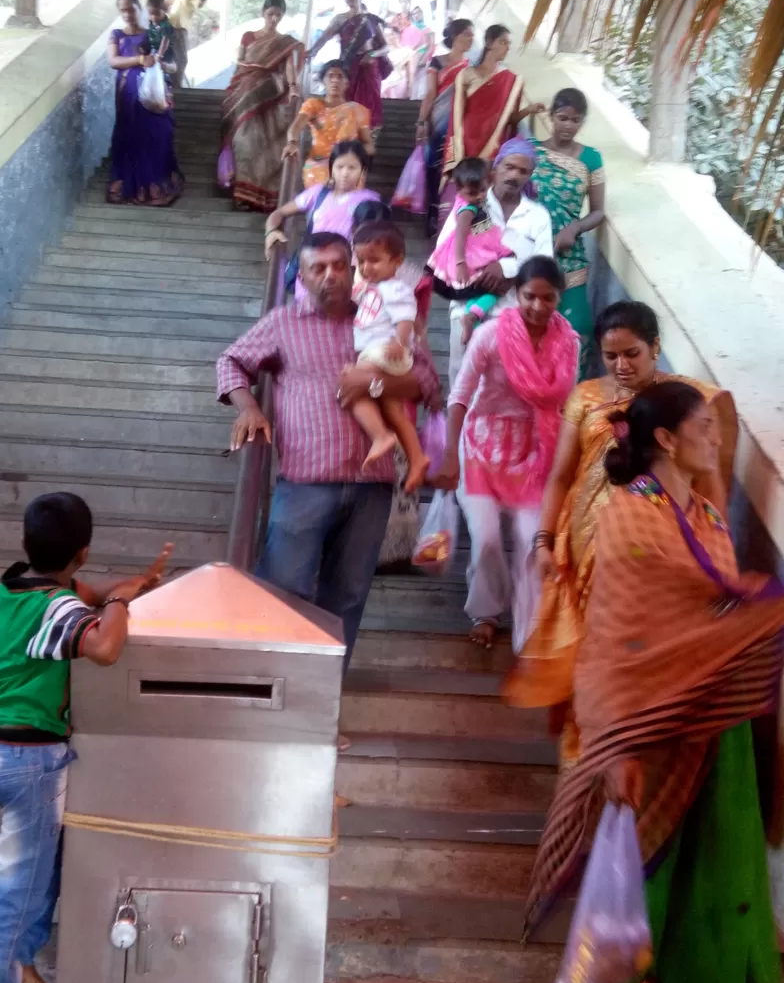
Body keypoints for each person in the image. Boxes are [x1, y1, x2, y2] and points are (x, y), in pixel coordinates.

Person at [525, 382, 784, 983]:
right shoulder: (630, 516)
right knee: (657, 896)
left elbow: (712, 607)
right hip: (651, 734)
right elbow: (619, 638)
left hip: (713, 730)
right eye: (703, 428)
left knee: (717, 894)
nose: (715, 439)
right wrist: (614, 743)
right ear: (665, 439)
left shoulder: (706, 514)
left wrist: (775, 600)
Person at [0, 493, 171, 983]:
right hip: (27, 759)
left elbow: (85, 594)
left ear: (26, 543)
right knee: (18, 885)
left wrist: (132, 586)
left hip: (4, 750)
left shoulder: (18, 585)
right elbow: (105, 648)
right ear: (83, 551)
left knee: (36, 874)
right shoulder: (56, 609)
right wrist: (120, 602)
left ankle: (18, 966)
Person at [504, 300, 738, 767]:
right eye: (611, 356)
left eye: (632, 354)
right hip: (587, 549)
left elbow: (712, 490)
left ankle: (622, 761)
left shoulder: (687, 403)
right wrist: (544, 541)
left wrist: (716, 563)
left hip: (658, 553)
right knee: (590, 652)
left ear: (655, 347)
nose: (621, 366)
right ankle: (582, 758)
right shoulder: (586, 397)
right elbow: (561, 476)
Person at [216, 232, 441, 666]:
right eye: (318, 268)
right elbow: (230, 361)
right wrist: (249, 408)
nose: (330, 275)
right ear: (301, 277)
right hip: (306, 483)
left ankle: (323, 696)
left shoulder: (382, 315)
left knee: (348, 596)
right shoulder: (283, 323)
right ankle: (270, 683)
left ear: (354, 270)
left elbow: (428, 383)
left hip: (372, 486)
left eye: (339, 265)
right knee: (284, 587)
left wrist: (374, 382)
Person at [437, 257, 578, 650]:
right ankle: (485, 611)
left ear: (560, 299)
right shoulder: (490, 335)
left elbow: (568, 406)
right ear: (517, 294)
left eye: (548, 298)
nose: (537, 306)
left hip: (535, 450)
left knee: (533, 539)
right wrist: (450, 455)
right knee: (485, 540)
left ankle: (530, 626)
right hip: (480, 446)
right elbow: (460, 396)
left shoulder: (569, 344)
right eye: (530, 296)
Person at [443, 138, 555, 387]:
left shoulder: (538, 216)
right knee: (462, 382)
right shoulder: (470, 203)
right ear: (495, 168)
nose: (514, 175)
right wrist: (483, 270)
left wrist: (507, 270)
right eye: (509, 167)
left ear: (530, 176)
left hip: (512, 312)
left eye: (523, 171)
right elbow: (446, 249)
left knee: (500, 385)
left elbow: (544, 266)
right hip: (465, 306)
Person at [350, 220, 430, 493]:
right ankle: (417, 458)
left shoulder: (395, 288)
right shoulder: (374, 288)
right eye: (361, 261)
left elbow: (406, 316)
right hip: (379, 353)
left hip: (382, 352)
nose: (366, 267)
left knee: (352, 389)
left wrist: (399, 341)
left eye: (374, 260)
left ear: (397, 261)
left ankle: (380, 436)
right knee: (394, 411)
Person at [531, 88, 604, 368]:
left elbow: (598, 211)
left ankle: (572, 392)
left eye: (575, 120)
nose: (568, 126)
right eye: (562, 118)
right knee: (533, 328)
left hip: (569, 256)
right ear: (551, 116)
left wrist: (574, 228)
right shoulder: (532, 151)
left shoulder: (591, 159)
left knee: (575, 330)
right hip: (532, 252)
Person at [265, 140, 380, 298]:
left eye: (352, 168)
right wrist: (271, 232)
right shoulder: (318, 193)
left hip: (342, 274)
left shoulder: (369, 201)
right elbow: (279, 213)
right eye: (339, 167)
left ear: (363, 170)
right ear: (331, 168)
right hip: (311, 270)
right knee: (307, 308)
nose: (345, 173)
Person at [220, 0, 303, 213]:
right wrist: (237, 84)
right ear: (262, 13)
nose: (274, 19)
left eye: (278, 15)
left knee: (265, 145)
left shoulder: (284, 42)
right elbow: (240, 62)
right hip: (245, 89)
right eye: (270, 14)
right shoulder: (248, 36)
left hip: (269, 93)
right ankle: (242, 194)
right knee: (243, 143)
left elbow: (289, 66)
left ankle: (262, 196)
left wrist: (293, 86)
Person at [106, 0, 183, 206]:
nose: (127, 14)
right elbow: (113, 61)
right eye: (122, 10)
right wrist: (140, 59)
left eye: (131, 9)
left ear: (139, 8)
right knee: (129, 135)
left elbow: (172, 65)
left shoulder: (153, 33)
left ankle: (155, 183)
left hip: (151, 93)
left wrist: (161, 64)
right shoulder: (116, 35)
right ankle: (130, 185)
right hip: (128, 93)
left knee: (157, 133)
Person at [443, 24, 541, 177]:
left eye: (509, 44)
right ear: (489, 43)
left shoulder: (512, 80)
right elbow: (456, 116)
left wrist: (529, 110)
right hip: (465, 141)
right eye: (503, 42)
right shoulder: (466, 75)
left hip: (493, 145)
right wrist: (456, 150)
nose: (507, 48)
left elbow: (510, 120)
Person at [305, 0, 391, 133]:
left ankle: (369, 139)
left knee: (369, 107)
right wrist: (311, 51)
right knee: (347, 104)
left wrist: (372, 54)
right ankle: (348, 139)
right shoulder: (340, 19)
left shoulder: (372, 19)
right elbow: (324, 38)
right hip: (349, 67)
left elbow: (386, 47)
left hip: (369, 68)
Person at [417, 17, 474, 235]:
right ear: (454, 36)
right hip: (438, 121)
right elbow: (430, 93)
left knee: (455, 168)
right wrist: (421, 122)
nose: (470, 39)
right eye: (466, 34)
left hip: (461, 125)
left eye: (472, 35)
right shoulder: (437, 62)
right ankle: (432, 212)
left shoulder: (472, 67)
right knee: (432, 166)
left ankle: (452, 216)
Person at [427, 156, 510, 300]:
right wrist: (460, 263)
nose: (479, 196)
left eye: (483, 190)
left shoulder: (473, 201)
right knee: (485, 286)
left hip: (481, 239)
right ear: (459, 190)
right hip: (471, 250)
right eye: (472, 193)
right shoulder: (467, 211)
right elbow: (460, 236)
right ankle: (478, 308)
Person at [285, 60, 374, 189]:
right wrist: (292, 143)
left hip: (347, 166)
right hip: (317, 165)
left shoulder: (357, 110)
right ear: (323, 80)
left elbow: (369, 145)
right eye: (330, 76)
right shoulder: (313, 105)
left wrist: (353, 154)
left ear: (347, 82)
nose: (335, 80)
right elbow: (295, 128)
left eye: (340, 76)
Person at [161, 0, 209, 86]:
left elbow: (167, 3)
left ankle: (170, 83)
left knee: (172, 58)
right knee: (182, 61)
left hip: (170, 28)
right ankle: (177, 87)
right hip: (178, 30)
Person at [402, 5, 435, 100]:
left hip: (423, 58)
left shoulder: (428, 29)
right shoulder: (408, 29)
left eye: (419, 13)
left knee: (421, 83)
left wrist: (423, 59)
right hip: (410, 58)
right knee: (410, 81)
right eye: (414, 13)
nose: (416, 15)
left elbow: (431, 46)